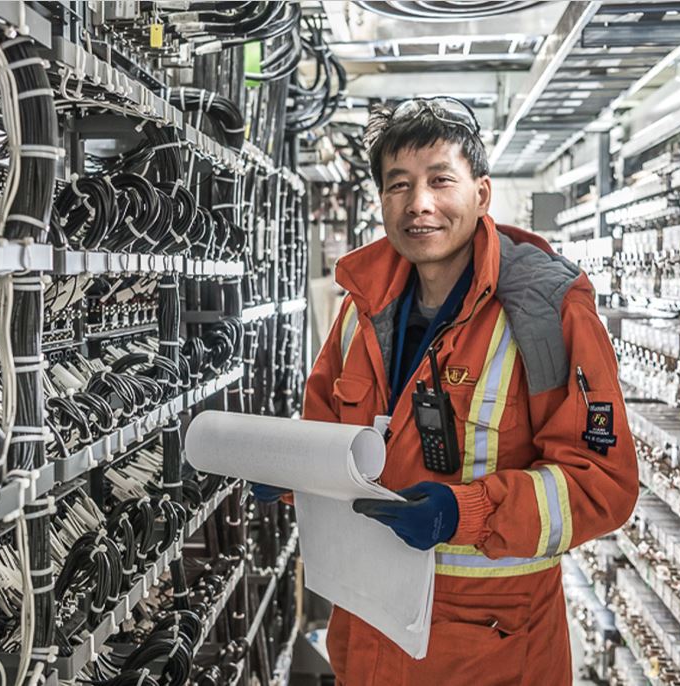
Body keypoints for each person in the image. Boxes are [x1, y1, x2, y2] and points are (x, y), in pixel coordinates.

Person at [254, 97, 638, 685]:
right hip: (370, 636)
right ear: (381, 200)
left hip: (493, 654)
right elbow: (331, 443)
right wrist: (295, 476)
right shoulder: (360, 312)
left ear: (481, 194)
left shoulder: (546, 312)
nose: (419, 204)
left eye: (440, 180)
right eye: (398, 185)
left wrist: (467, 512)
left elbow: (602, 484)